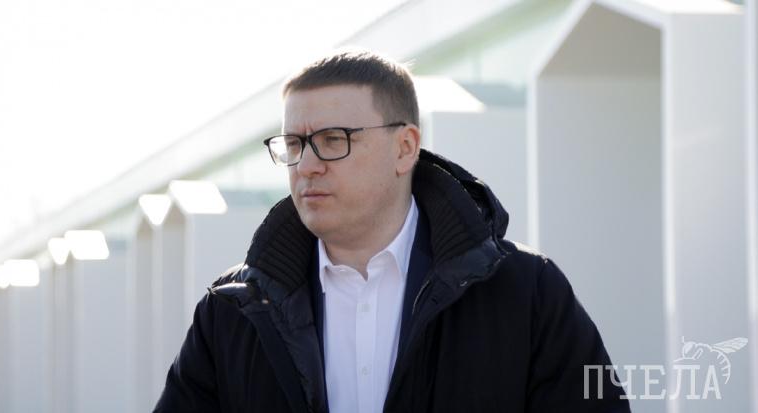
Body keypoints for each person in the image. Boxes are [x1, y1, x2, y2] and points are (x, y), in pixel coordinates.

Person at [154, 49, 630, 412]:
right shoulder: (231, 312)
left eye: (333, 140)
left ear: (405, 148)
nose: (307, 165)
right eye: (294, 144)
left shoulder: (526, 293)